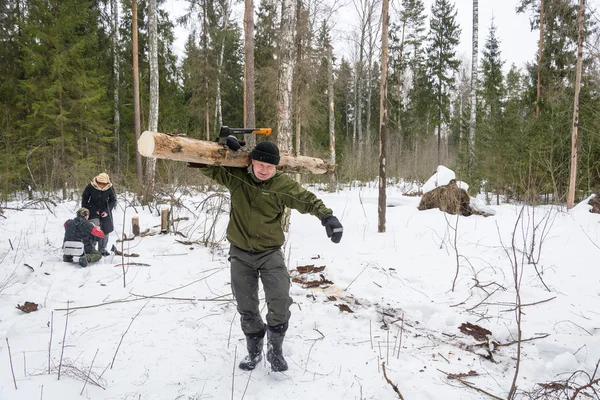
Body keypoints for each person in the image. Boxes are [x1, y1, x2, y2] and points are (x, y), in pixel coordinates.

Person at [197, 140, 343, 372]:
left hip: (269, 253)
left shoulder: (281, 184)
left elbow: (307, 200)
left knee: (280, 301)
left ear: (276, 167)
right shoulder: (236, 177)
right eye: (260, 164)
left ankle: (275, 350)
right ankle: (254, 352)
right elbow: (203, 163)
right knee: (247, 306)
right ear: (252, 161)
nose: (264, 170)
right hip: (240, 254)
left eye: (270, 166)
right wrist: (222, 143)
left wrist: (328, 218)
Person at [81, 172, 117, 256]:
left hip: (105, 210)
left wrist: (107, 211)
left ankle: (102, 249)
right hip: (92, 210)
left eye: (103, 184)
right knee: (94, 228)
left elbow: (113, 200)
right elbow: (85, 198)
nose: (101, 185)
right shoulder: (90, 186)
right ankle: (90, 249)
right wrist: (86, 211)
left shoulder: (110, 188)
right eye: (100, 183)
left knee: (106, 228)